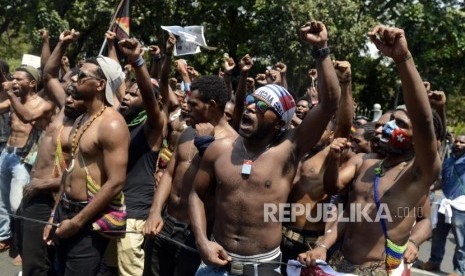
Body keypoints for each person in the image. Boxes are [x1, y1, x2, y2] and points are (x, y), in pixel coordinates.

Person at [189, 20, 340, 275]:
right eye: (250, 101)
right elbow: (196, 194)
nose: (249, 107)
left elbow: (329, 103)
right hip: (213, 263)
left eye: (261, 106)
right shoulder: (219, 148)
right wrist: (202, 242)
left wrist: (321, 48)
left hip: (263, 267)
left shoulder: (288, 149)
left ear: (280, 122)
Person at [299, 24, 441, 275]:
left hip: (379, 270)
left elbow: (425, 122)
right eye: (385, 122)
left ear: (415, 138)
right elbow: (346, 210)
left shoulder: (418, 174)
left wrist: (402, 59)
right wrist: (323, 245)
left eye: (399, 124)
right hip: (339, 264)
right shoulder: (365, 163)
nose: (385, 128)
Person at [143, 74, 237, 275]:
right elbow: (169, 174)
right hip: (165, 225)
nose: (187, 108)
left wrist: (206, 147)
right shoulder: (187, 132)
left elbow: (223, 191)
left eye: (193, 104)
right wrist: (155, 212)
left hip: (194, 236)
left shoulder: (232, 144)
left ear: (211, 105)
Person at [48, 56, 129, 275]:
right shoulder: (82, 118)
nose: (74, 78)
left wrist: (77, 222)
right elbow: (69, 172)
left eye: (83, 76)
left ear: (100, 85)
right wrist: (54, 215)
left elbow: (116, 182)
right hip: (65, 211)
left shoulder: (112, 124)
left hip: (87, 221)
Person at [18, 29, 84, 276]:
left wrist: (43, 185)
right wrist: (62, 43)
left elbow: (81, 174)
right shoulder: (63, 109)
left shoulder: (86, 124)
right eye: (69, 88)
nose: (69, 95)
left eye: (76, 90)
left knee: (38, 263)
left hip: (51, 199)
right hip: (34, 192)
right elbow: (48, 75)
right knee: (27, 250)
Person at [115, 38, 166, 276]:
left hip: (134, 212)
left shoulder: (152, 126)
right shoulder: (122, 124)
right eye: (128, 92)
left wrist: (137, 61)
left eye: (135, 94)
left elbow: (150, 96)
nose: (127, 96)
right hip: (113, 208)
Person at [0, 64, 54, 253]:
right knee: (2, 201)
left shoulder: (43, 103)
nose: (14, 82)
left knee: (18, 205)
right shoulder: (14, 100)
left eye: (18, 79)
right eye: (12, 78)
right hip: (7, 153)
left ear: (32, 83)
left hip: (23, 160)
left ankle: (25, 246)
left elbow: (26, 116)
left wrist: (10, 95)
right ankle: (4, 236)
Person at [428, 134, 465, 276]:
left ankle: (459, 270)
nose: (458, 144)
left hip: (462, 206)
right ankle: (434, 261)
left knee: (461, 242)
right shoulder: (448, 161)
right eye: (457, 141)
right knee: (438, 235)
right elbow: (442, 181)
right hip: (445, 203)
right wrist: (429, 187)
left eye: (462, 142)